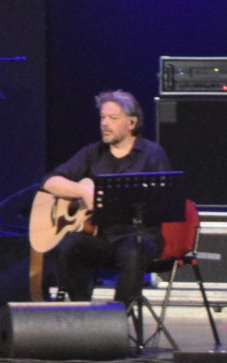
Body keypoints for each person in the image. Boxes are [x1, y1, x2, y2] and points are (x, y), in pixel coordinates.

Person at [40, 91, 174, 307]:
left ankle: (118, 317)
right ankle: (84, 312)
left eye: (113, 118)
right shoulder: (93, 152)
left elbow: (165, 201)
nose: (104, 123)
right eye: (102, 117)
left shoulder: (152, 154)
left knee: (134, 249)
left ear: (131, 122)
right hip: (102, 238)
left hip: (140, 236)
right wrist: (82, 191)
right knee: (67, 245)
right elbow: (49, 182)